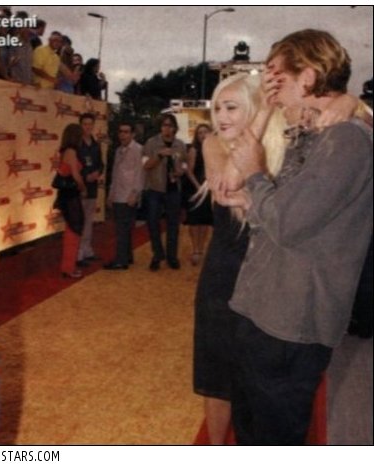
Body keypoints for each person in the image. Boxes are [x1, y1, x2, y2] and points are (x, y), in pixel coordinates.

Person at [223, 29, 373, 445]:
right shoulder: (315, 135)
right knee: (251, 432)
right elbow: (277, 217)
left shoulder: (346, 139)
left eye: (275, 75)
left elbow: (288, 223)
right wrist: (254, 195)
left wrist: (255, 175)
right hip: (262, 310)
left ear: (306, 77)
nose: (268, 86)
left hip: (291, 323)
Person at [193, 72, 288, 445]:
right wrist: (261, 115)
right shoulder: (213, 145)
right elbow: (228, 185)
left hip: (269, 278)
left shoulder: (282, 145)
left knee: (260, 376)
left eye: (231, 107)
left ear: (252, 105)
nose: (221, 117)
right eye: (217, 108)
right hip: (223, 276)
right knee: (217, 378)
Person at [142, 114, 187, 271]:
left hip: (173, 189)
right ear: (160, 127)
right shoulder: (151, 143)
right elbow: (146, 165)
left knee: (173, 224)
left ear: (175, 128)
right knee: (153, 223)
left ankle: (172, 257)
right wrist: (160, 155)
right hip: (155, 189)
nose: (167, 128)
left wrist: (181, 171)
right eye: (164, 125)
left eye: (170, 125)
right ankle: (157, 255)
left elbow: (185, 163)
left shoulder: (180, 145)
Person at [103, 122, 145, 270]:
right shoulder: (118, 150)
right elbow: (115, 174)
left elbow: (141, 173)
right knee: (122, 228)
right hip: (118, 194)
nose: (122, 135)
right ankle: (126, 256)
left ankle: (121, 260)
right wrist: (111, 194)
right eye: (121, 131)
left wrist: (135, 193)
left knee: (123, 229)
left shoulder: (139, 150)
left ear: (133, 134)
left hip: (129, 195)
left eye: (126, 132)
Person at [53, 124, 87, 279]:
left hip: (67, 195)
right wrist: (83, 188)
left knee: (72, 229)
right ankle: (68, 267)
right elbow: (76, 175)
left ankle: (68, 266)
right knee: (74, 230)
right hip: (70, 196)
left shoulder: (65, 151)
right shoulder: (71, 152)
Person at [182, 124, 214, 266]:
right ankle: (195, 249)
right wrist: (198, 187)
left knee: (205, 220)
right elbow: (189, 171)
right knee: (195, 220)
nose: (202, 135)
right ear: (196, 135)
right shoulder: (194, 150)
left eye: (205, 132)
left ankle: (201, 249)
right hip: (195, 189)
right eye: (200, 132)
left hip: (209, 188)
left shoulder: (213, 150)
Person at [76, 113, 104, 266]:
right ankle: (78, 254)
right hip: (80, 188)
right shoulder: (76, 144)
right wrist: (85, 176)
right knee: (79, 221)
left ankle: (87, 250)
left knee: (88, 221)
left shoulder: (96, 144)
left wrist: (97, 173)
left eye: (90, 124)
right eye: (85, 124)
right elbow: (73, 166)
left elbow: (101, 164)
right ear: (81, 125)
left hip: (92, 188)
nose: (88, 127)